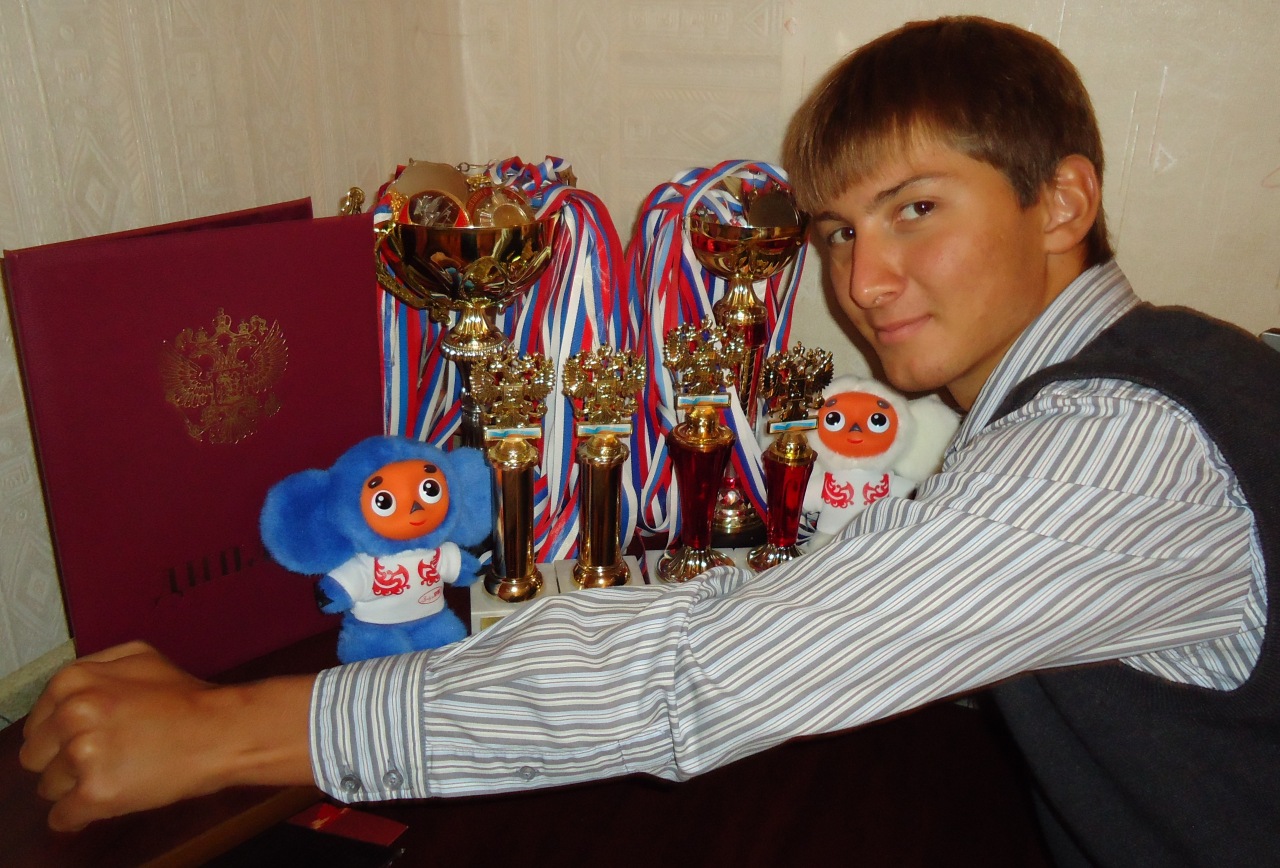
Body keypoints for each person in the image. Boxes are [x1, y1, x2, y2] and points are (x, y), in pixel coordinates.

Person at [20, 16, 1279, 866]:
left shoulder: (1114, 451)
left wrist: (223, 732)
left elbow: (698, 679)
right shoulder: (1160, 372)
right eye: (837, 232)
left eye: (913, 208)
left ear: (1060, 199)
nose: (862, 280)